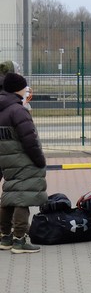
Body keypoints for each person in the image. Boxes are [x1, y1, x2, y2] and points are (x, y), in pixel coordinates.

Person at [0, 73, 47, 254]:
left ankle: (5, 237)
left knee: (8, 197)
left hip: (7, 160)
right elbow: (30, 140)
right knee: (22, 199)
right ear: (18, 88)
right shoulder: (18, 111)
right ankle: (20, 240)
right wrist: (39, 160)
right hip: (24, 160)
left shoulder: (3, 109)